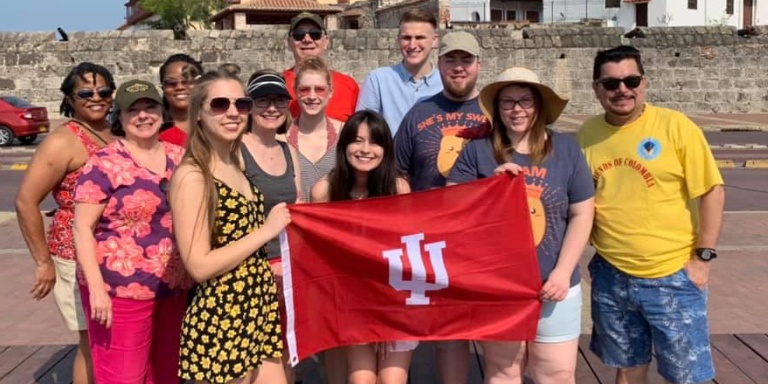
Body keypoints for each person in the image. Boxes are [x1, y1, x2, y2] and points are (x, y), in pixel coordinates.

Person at [578, 45, 725, 384]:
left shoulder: (676, 127)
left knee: (687, 375)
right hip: (612, 274)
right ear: (596, 88)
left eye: (631, 80)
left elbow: (712, 192)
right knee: (627, 367)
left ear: (644, 83)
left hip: (673, 273)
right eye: (611, 83)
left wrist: (702, 258)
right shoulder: (587, 134)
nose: (622, 90)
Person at [447, 67, 595, 383]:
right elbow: (451, 209)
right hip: (499, 286)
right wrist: (489, 189)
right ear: (497, 108)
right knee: (503, 372)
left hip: (555, 284)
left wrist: (561, 272)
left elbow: (582, 213)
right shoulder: (477, 151)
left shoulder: (565, 149)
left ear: (538, 105)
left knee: (556, 373)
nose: (517, 110)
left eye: (525, 101)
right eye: (508, 102)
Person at [170, 69, 291, 384]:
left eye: (242, 103)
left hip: (256, 311)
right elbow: (198, 265)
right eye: (220, 104)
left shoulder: (233, 163)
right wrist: (266, 231)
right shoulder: (193, 176)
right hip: (222, 319)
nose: (233, 112)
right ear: (198, 113)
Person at [72, 79, 193, 382]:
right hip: (119, 291)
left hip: (171, 286)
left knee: (167, 373)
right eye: (133, 110)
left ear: (161, 112)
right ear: (120, 118)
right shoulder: (104, 163)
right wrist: (97, 288)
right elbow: (82, 228)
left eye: (149, 107)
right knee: (123, 375)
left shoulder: (179, 157)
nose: (143, 116)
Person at [393, 30, 487, 384]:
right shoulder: (420, 113)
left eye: (466, 60)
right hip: (425, 241)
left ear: (479, 63)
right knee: (405, 329)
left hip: (475, 243)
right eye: (451, 60)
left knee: (455, 334)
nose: (458, 68)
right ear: (440, 64)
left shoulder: (496, 112)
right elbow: (398, 171)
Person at [15, 62, 118, 384]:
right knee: (92, 342)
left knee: (115, 338)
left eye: (103, 91)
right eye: (85, 93)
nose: (96, 98)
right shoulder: (63, 142)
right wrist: (43, 261)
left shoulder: (116, 131)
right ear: (70, 99)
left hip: (117, 256)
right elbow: (25, 202)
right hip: (75, 257)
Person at [311, 110, 414, 384]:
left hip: (394, 300)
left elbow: (404, 255)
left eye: (375, 142)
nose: (365, 150)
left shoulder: (398, 188)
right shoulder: (325, 190)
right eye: (357, 141)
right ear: (344, 146)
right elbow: (320, 256)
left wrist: (384, 316)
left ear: (386, 149)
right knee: (361, 380)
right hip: (351, 303)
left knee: (391, 380)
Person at [242, 70, 302, 382]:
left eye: (278, 100)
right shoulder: (235, 150)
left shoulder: (288, 150)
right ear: (249, 105)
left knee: (285, 355)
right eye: (262, 100)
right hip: (252, 269)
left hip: (287, 270)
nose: (271, 107)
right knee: (258, 361)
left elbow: (299, 210)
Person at [355, 8, 442, 135]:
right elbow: (364, 129)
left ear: (434, 40)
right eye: (406, 38)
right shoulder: (378, 80)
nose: (412, 45)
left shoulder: (445, 84)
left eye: (420, 37)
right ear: (398, 40)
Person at [284, 12, 359, 122]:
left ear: (326, 41)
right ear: (289, 42)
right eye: (299, 34)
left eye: (315, 34)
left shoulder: (349, 85)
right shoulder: (278, 84)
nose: (307, 39)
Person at [286, 56, 343, 203]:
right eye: (304, 90)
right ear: (295, 92)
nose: (312, 96)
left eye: (320, 90)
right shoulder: (281, 137)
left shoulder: (345, 133)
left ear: (331, 92)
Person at [158, 53, 204, 146]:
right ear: (163, 87)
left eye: (188, 81)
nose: (180, 87)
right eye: (171, 82)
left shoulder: (215, 128)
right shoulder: (154, 134)